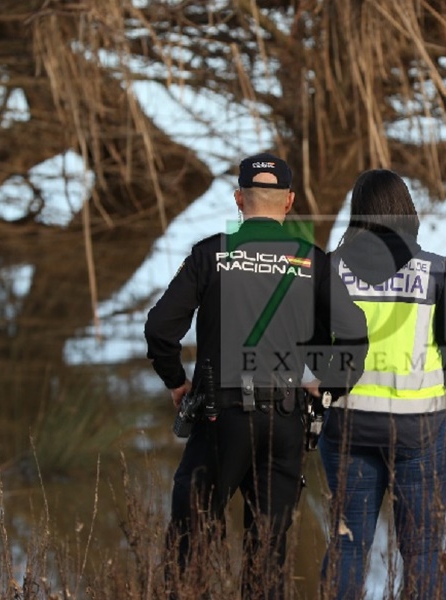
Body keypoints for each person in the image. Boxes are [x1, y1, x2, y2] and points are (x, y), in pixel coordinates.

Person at [144, 152, 368, 599]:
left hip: (219, 418)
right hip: (285, 419)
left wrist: (175, 382)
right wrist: (327, 386)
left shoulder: (212, 254)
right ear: (288, 202)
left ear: (238, 200)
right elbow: (355, 334)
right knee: (267, 558)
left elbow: (159, 328)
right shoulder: (311, 260)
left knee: (191, 549)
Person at [309, 169, 446, 600]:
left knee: (347, 544)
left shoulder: (329, 268)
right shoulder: (436, 270)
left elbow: (309, 348)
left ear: (356, 213)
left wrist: (328, 395)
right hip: (422, 427)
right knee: (421, 551)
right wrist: (444, 404)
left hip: (347, 424)